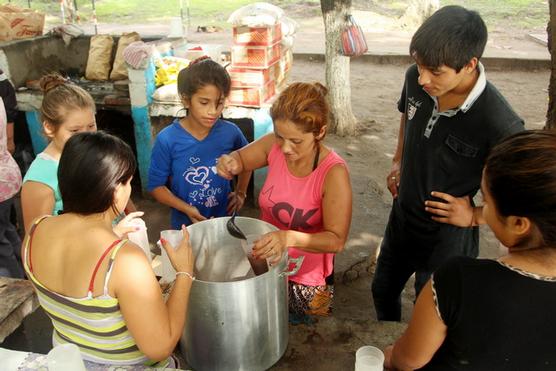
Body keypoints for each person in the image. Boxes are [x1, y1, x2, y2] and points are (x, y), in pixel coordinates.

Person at [371, 5, 524, 321]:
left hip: (448, 236)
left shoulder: (500, 122)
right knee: (382, 290)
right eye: (419, 65)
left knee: (430, 312)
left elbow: (521, 195)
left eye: (436, 71)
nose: (423, 78)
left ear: (470, 65)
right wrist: (399, 160)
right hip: (403, 216)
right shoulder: (415, 78)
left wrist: (474, 216)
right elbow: (407, 116)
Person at [384, 130, 556, 370]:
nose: (481, 209)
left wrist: (390, 356)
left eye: (485, 201)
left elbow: (407, 361)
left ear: (519, 224)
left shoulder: (458, 280)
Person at [23, 131, 195, 367]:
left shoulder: (35, 231)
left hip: (73, 362)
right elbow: (160, 346)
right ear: (115, 189)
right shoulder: (124, 260)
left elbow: (76, 299)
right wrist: (184, 273)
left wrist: (112, 235)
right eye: (128, 182)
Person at [216, 82, 352, 317]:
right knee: (266, 324)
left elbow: (336, 241)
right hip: (267, 267)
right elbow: (241, 160)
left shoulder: (333, 174)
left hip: (309, 280)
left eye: (296, 141)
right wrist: (230, 162)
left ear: (319, 133)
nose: (286, 148)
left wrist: (287, 238)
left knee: (312, 338)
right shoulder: (273, 146)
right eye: (280, 136)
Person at [21, 74, 137, 233]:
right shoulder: (40, 180)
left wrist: (132, 215)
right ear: (49, 128)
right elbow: (35, 241)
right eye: (75, 130)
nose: (86, 135)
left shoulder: (95, 152)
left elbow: (119, 188)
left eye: (91, 126)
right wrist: (112, 234)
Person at [148, 56, 251, 228]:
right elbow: (156, 187)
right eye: (204, 102)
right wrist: (187, 209)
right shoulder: (167, 139)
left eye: (219, 103)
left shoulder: (230, 132)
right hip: (186, 226)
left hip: (224, 223)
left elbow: (248, 160)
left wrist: (241, 192)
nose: (213, 111)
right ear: (186, 99)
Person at [0, 97, 24, 278]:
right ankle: (28, 276)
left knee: (1, 246)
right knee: (8, 230)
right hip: (7, 177)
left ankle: (17, 286)